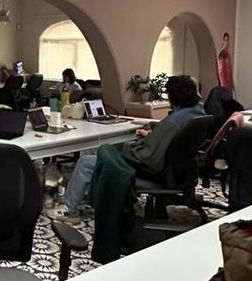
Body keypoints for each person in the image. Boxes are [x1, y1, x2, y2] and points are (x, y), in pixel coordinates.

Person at [56, 74, 205, 222]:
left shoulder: (171, 124)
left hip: (154, 172)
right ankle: (91, 192)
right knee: (119, 146)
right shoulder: (197, 112)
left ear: (173, 97)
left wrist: (128, 151)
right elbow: (167, 138)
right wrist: (151, 130)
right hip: (181, 172)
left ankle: (70, 212)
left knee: (85, 162)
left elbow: (149, 158)